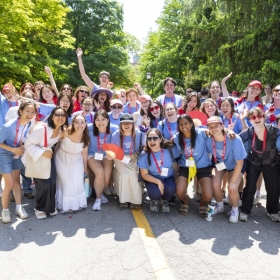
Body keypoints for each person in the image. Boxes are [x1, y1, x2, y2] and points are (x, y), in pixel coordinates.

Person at [22, 106, 68, 219]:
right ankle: (39, 208)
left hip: (48, 156)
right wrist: (42, 152)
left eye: (63, 115)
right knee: (44, 184)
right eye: (57, 115)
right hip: (37, 157)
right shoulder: (42, 128)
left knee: (52, 183)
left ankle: (50, 207)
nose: (60, 117)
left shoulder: (62, 130)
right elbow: (27, 144)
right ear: (52, 117)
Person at [239, 107, 280, 222]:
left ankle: (273, 211)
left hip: (272, 162)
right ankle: (245, 210)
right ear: (250, 120)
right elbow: (236, 140)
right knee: (250, 186)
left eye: (259, 116)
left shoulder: (274, 130)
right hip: (254, 162)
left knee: (273, 188)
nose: (256, 119)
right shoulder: (248, 132)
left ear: (264, 117)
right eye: (253, 117)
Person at [0, 102, 37, 223]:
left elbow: (20, 137)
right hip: (4, 153)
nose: (30, 114)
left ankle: (18, 207)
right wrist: (12, 149)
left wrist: (20, 147)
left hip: (16, 152)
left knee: (17, 181)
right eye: (27, 111)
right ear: (20, 111)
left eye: (33, 112)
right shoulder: (8, 126)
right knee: (9, 183)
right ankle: (5, 210)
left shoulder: (28, 123)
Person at [205, 116, 246, 223]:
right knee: (214, 184)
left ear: (222, 125)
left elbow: (240, 162)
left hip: (236, 165)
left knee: (232, 188)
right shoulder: (209, 139)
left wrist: (233, 182)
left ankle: (235, 210)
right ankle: (220, 205)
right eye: (210, 126)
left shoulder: (234, 138)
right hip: (221, 165)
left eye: (216, 126)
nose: (214, 129)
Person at [172, 114, 213, 217]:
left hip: (202, 166)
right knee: (179, 192)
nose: (183, 126)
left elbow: (215, 131)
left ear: (191, 124)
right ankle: (185, 202)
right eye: (181, 124)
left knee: (208, 195)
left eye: (186, 123)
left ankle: (203, 203)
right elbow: (167, 142)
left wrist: (228, 131)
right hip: (186, 166)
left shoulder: (201, 133)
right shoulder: (177, 137)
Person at [138, 128, 179, 212]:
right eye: (149, 138)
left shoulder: (170, 149)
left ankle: (164, 200)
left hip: (168, 176)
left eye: (155, 138)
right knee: (154, 193)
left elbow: (175, 163)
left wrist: (176, 179)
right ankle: (154, 200)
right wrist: (158, 182)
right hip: (151, 178)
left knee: (171, 189)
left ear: (160, 139)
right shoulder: (144, 154)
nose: (152, 141)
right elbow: (144, 174)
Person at [56, 114, 89, 213]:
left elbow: (84, 153)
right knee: (68, 182)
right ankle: (66, 205)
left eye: (82, 122)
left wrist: (85, 167)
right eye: (77, 122)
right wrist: (53, 158)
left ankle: (77, 203)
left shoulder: (86, 138)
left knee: (77, 181)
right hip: (62, 157)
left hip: (77, 159)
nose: (79, 125)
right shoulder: (66, 132)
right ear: (73, 123)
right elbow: (57, 143)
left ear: (85, 124)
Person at [111, 113, 144, 208]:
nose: (126, 125)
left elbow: (144, 148)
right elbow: (114, 151)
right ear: (120, 125)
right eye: (123, 123)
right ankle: (123, 199)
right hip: (120, 159)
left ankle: (135, 200)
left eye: (129, 123)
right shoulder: (116, 135)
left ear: (133, 124)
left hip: (135, 157)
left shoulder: (139, 134)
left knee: (134, 176)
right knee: (124, 175)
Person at [87, 110, 113, 211]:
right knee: (100, 172)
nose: (100, 122)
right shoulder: (89, 128)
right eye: (97, 120)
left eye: (103, 119)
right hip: (93, 155)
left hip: (106, 155)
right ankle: (98, 199)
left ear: (107, 120)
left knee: (106, 178)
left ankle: (100, 193)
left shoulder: (114, 129)